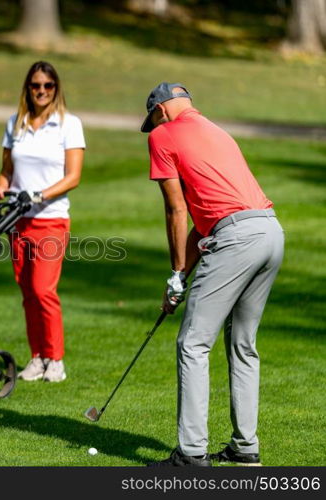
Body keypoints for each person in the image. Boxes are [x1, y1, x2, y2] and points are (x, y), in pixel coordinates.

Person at [140, 83, 284, 466]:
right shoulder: (216, 132)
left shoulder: (162, 135)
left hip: (236, 239)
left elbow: (176, 209)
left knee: (193, 344)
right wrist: (182, 276)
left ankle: (190, 454)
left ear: (160, 111)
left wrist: (174, 272)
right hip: (269, 232)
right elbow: (204, 224)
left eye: (151, 118)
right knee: (243, 343)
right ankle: (245, 446)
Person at [0, 61, 85, 383]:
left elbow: (73, 177)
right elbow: (7, 171)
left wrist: (40, 195)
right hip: (18, 220)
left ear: (56, 89)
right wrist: (1, 187)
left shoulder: (69, 124)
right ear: (27, 88)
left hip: (51, 219)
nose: (42, 91)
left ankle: (55, 359)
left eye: (48, 86)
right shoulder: (15, 123)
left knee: (44, 290)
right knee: (28, 291)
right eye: (35, 86)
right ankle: (37, 357)